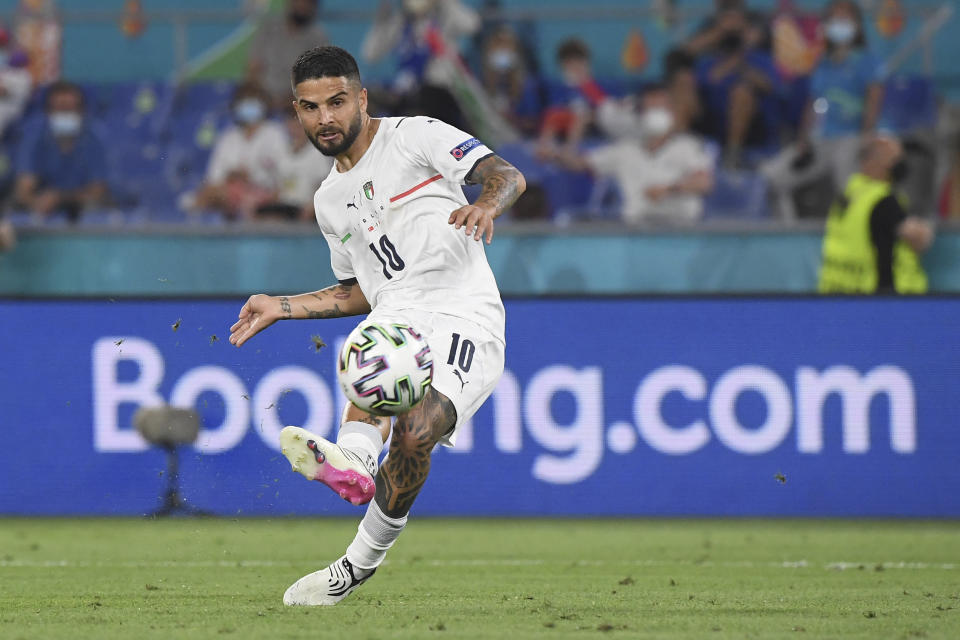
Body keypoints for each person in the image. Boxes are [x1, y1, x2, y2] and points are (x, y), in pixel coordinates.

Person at [228, 46, 525, 605]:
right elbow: (360, 290)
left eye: (337, 102)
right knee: (376, 347)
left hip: (463, 312)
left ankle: (356, 565)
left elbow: (507, 175)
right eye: (311, 107)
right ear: (296, 112)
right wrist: (281, 306)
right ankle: (357, 461)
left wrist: (486, 204)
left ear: (361, 99)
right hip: (395, 317)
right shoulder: (328, 200)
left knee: (415, 434)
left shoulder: (415, 136)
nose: (326, 119)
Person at [763, 0, 884, 220]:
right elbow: (813, 101)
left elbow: (874, 99)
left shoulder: (868, 59)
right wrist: (803, 139)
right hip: (818, 141)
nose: (839, 24)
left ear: (857, 24)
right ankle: (788, 233)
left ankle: (852, 236)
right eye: (834, 20)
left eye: (845, 19)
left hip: (850, 140)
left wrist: (867, 137)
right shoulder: (822, 61)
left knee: (850, 191)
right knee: (772, 178)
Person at [550, 83, 713, 225]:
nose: (657, 114)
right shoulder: (625, 149)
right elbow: (579, 163)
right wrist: (556, 154)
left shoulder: (688, 146)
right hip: (636, 230)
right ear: (641, 114)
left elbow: (704, 183)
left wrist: (669, 189)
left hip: (683, 228)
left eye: (662, 108)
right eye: (652, 109)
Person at [819, 135, 932, 294]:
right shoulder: (883, 200)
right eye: (895, 159)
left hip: (839, 290)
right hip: (882, 297)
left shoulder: (849, 192)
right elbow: (918, 239)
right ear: (874, 161)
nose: (900, 164)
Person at [690, 1, 780, 166]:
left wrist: (743, 64)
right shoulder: (709, 60)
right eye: (727, 21)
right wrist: (732, 60)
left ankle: (733, 153)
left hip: (755, 124)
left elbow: (769, 85)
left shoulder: (760, 58)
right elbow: (710, 79)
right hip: (714, 120)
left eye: (736, 22)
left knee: (742, 92)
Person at [14, 81, 108, 220]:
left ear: (81, 111)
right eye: (59, 108)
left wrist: (60, 197)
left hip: (83, 210)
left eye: (70, 108)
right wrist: (36, 202)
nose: (64, 113)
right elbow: (24, 189)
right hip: (42, 210)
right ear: (48, 111)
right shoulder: (35, 137)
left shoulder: (94, 139)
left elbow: (98, 191)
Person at [192, 83, 287, 220]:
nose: (248, 105)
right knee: (207, 195)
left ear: (263, 104)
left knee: (252, 201)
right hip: (229, 194)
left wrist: (251, 178)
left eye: (253, 100)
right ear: (236, 106)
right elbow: (214, 177)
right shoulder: (228, 137)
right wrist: (233, 178)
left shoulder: (274, 133)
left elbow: (283, 171)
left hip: (262, 191)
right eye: (244, 101)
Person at [256, 104, 334, 222]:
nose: (296, 127)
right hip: (282, 205)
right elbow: (276, 185)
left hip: (303, 207)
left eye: (300, 123)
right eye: (292, 123)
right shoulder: (280, 152)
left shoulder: (319, 154)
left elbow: (324, 188)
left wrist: (311, 208)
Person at [247, 0, 328, 109]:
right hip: (262, 97)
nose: (302, 6)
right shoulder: (269, 29)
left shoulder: (317, 37)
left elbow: (315, 80)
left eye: (308, 3)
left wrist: (290, 100)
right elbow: (254, 68)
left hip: (296, 102)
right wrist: (262, 95)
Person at [536, 38, 607, 159]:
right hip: (566, 115)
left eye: (578, 62)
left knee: (581, 115)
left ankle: (571, 148)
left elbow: (601, 102)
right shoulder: (560, 85)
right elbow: (556, 104)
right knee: (552, 114)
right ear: (563, 65)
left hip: (588, 118)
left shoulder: (592, 84)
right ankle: (544, 145)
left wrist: (585, 83)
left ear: (585, 63)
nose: (574, 66)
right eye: (570, 63)